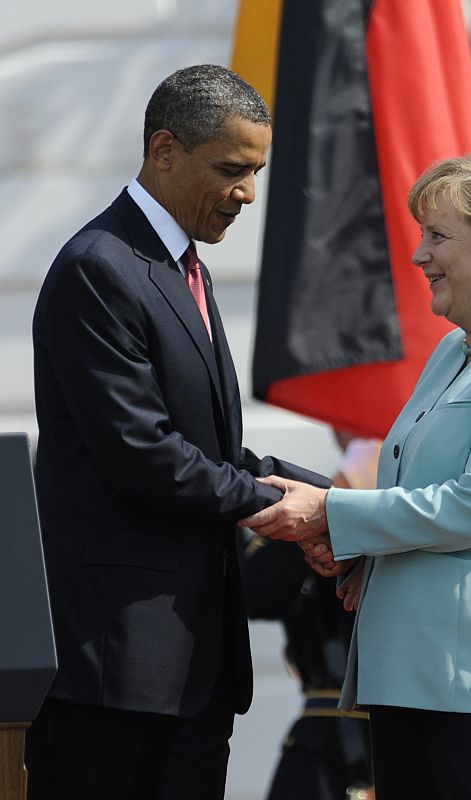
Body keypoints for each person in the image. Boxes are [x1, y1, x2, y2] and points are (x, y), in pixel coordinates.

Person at [239, 154, 471, 799]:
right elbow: (418, 495)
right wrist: (358, 555)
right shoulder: (453, 352)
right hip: (418, 679)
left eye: (438, 237)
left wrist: (335, 513)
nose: (419, 256)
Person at [25, 64, 331, 800]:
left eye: (255, 171)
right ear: (164, 150)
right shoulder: (100, 269)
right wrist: (282, 505)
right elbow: (146, 454)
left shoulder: (179, 267)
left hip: (189, 672)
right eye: (231, 170)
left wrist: (331, 501)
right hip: (117, 671)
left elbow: (206, 448)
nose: (248, 194)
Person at [241, 433, 380, 800]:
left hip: (417, 739)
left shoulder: (441, 513)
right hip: (329, 742)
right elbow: (256, 593)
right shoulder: (325, 504)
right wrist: (338, 500)